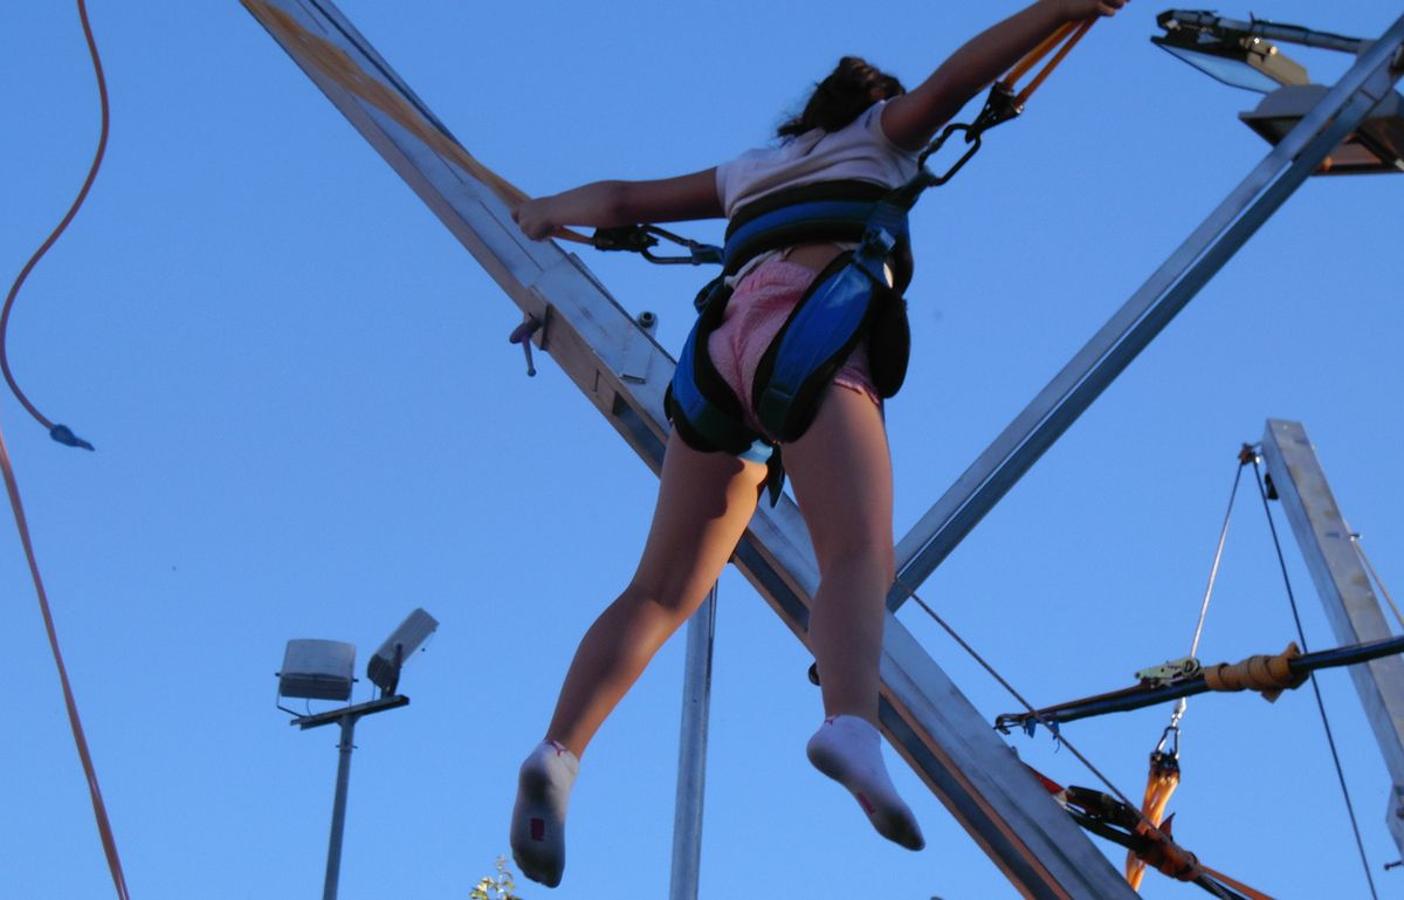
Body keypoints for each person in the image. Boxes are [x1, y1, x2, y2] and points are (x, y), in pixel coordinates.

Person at [508, 0, 1127, 887]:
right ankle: (849, 724)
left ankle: (560, 751)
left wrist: (543, 211)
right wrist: (1062, 9)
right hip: (810, 323)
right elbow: (964, 76)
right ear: (875, 108)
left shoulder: (748, 170)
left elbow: (617, 201)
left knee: (660, 587)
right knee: (858, 555)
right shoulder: (884, 135)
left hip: (720, 345)